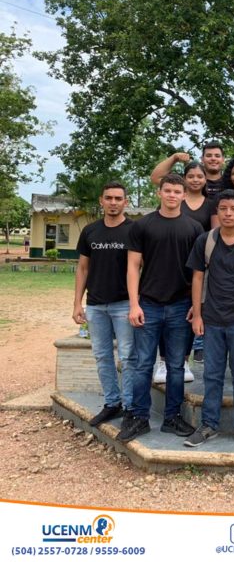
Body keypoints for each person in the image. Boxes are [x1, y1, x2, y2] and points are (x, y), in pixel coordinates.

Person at [117, 174, 204, 443]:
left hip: (180, 306)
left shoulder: (194, 228)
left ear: (184, 195)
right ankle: (139, 417)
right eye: (168, 191)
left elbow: (199, 273)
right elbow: (133, 266)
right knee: (143, 363)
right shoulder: (142, 226)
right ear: (159, 193)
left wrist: (196, 306)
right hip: (149, 304)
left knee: (176, 365)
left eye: (177, 192)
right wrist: (134, 304)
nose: (172, 195)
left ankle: (172, 417)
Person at [184, 190, 234, 448]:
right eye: (223, 209)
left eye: (233, 209)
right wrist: (197, 315)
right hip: (212, 319)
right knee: (212, 374)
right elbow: (197, 278)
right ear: (217, 212)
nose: (228, 213)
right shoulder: (205, 240)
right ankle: (209, 424)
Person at [73, 182, 136, 426]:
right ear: (101, 201)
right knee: (102, 356)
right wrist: (77, 303)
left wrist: (136, 303)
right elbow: (83, 268)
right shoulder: (90, 231)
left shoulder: (134, 230)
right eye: (108, 198)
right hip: (96, 305)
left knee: (128, 358)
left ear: (125, 202)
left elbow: (139, 267)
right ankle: (112, 403)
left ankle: (130, 407)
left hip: (124, 304)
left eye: (118, 198)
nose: (113, 202)